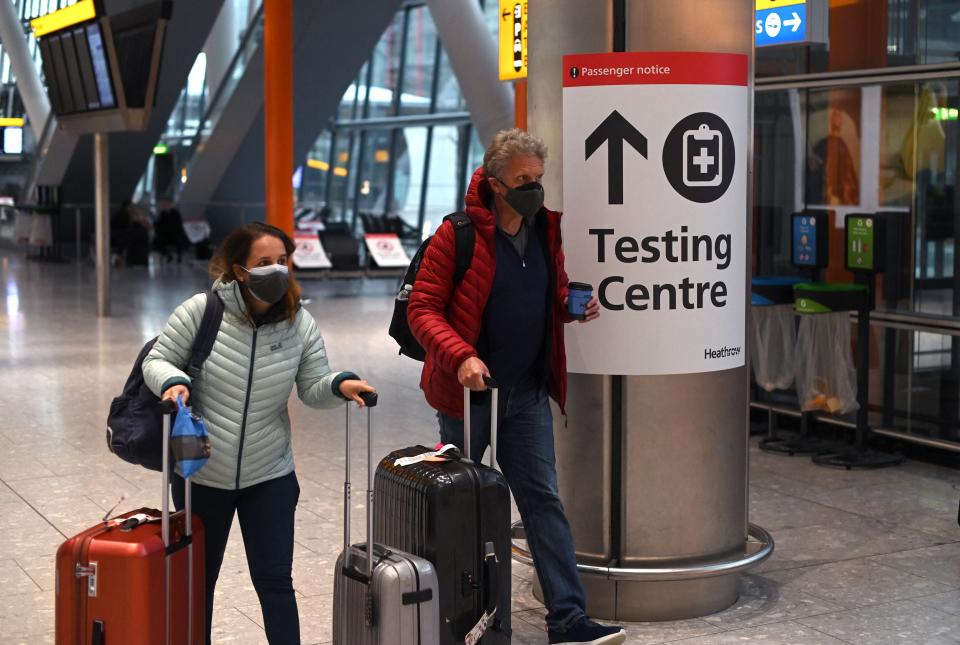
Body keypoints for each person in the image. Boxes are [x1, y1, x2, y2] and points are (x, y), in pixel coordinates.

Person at [407, 129, 625, 645]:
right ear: (496, 183)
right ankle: (451, 617)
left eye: (538, 179)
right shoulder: (457, 235)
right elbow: (422, 310)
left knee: (542, 501)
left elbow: (543, 293)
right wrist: (461, 356)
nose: (533, 189)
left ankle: (568, 619)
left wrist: (572, 304)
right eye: (522, 180)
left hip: (524, 393)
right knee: (461, 506)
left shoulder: (546, 230)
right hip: (468, 398)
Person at [142, 221, 375, 644]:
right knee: (198, 583)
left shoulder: (299, 323)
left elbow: (312, 386)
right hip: (202, 471)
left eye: (282, 261)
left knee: (275, 582)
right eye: (263, 263)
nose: (276, 270)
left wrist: (339, 384)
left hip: (270, 473)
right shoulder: (201, 311)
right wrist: (173, 381)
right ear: (239, 271)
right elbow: (156, 360)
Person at [153, 198, 189, 262]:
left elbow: (178, 225)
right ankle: (168, 255)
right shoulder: (163, 213)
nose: (165, 205)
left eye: (166, 204)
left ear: (170, 204)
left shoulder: (176, 213)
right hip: (165, 234)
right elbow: (159, 224)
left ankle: (179, 256)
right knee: (157, 242)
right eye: (164, 204)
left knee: (179, 240)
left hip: (174, 233)